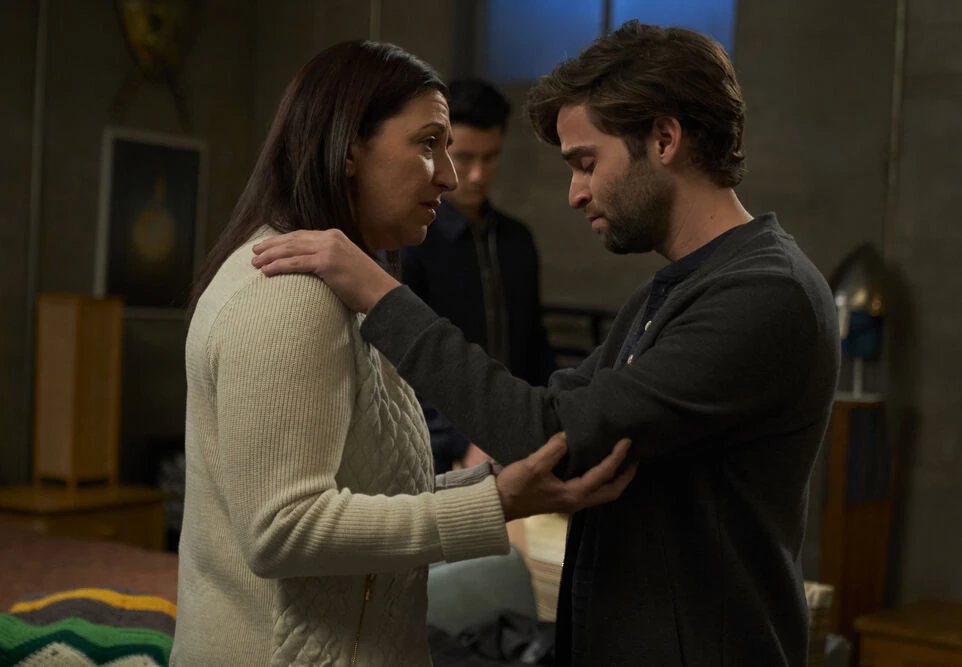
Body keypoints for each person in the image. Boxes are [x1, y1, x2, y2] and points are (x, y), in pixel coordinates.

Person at [253, 22, 841, 667]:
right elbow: (553, 417)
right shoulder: (672, 290)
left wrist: (380, 293)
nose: (575, 192)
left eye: (587, 162)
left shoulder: (766, 293)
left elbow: (547, 435)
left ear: (664, 139)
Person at [173, 40, 636, 667]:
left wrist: (497, 484)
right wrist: (495, 504)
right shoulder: (291, 295)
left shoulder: (337, 285)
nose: (450, 175)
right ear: (348, 150)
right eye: (428, 144)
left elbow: (371, 488)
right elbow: (283, 530)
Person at [401, 78, 556, 473]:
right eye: (465, 157)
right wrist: (457, 440)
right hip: (438, 447)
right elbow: (403, 359)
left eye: (489, 158)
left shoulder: (517, 240)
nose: (476, 174)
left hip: (519, 434)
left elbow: (534, 343)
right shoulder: (413, 240)